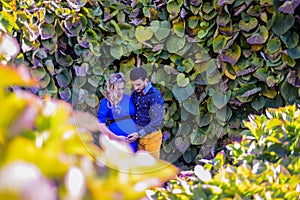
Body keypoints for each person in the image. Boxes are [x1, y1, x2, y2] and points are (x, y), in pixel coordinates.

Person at [127, 67, 164, 159]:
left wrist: (139, 134)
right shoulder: (136, 93)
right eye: (133, 85)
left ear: (146, 80)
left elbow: (157, 121)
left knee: (152, 168)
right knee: (141, 168)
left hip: (152, 137)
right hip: (140, 137)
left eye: (138, 84)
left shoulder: (155, 95)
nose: (136, 88)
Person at [97, 72, 138, 152]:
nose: (121, 92)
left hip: (133, 140)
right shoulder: (106, 102)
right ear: (112, 87)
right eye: (118, 89)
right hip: (116, 141)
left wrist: (137, 134)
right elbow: (100, 125)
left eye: (123, 88)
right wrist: (116, 137)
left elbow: (140, 117)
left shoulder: (129, 99)